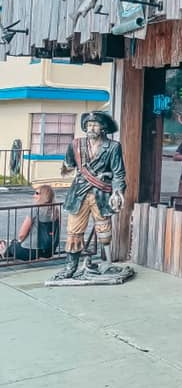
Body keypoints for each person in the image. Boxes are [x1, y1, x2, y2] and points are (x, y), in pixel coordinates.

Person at [56, 110, 126, 279]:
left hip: (101, 193)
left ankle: (107, 262)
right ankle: (70, 267)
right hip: (79, 193)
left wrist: (117, 191)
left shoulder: (113, 147)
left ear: (103, 127)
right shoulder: (75, 145)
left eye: (95, 124)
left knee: (104, 229)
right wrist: (66, 165)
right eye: (88, 124)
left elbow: (119, 173)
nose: (91, 127)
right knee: (73, 231)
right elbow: (68, 166)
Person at [0, 185, 59, 261]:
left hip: (30, 251)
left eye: (37, 193)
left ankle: (3, 253)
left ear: (44, 195)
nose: (34, 195)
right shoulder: (55, 211)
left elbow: (22, 235)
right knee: (14, 243)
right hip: (48, 251)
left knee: (13, 246)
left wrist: (20, 242)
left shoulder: (35, 210)